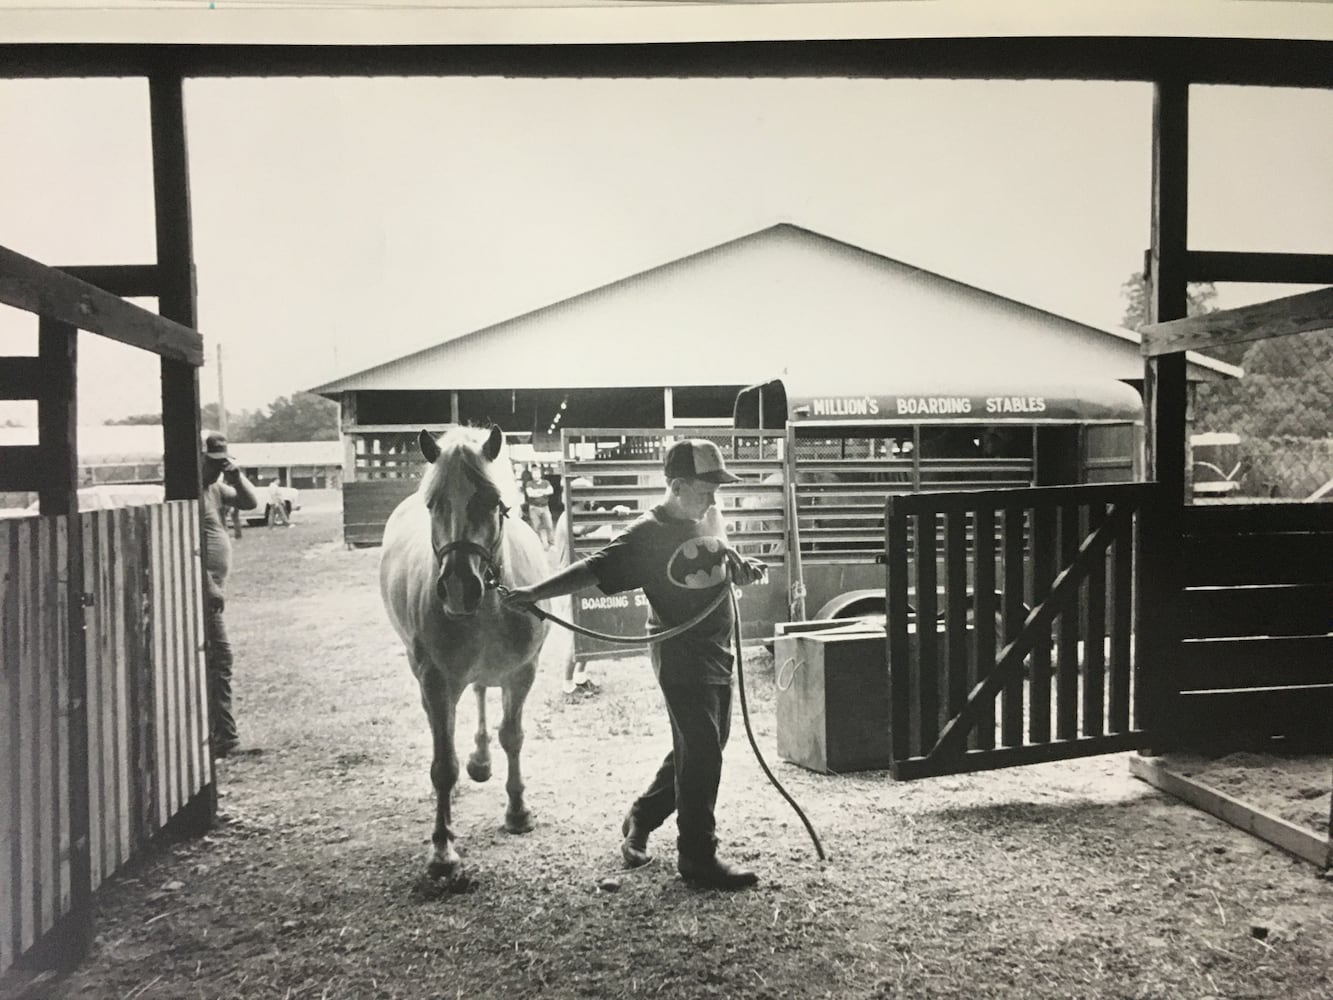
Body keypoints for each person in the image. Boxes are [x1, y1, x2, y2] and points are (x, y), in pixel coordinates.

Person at [503, 440, 768, 890]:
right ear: (678, 486)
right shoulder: (647, 536)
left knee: (703, 746)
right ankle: (697, 857)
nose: (713, 500)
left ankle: (642, 815)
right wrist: (533, 594)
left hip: (717, 649)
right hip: (681, 653)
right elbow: (594, 568)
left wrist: (739, 566)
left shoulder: (701, 516)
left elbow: (717, 553)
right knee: (702, 748)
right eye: (705, 491)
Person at [200, 431, 258, 758]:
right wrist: (207, 583)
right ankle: (226, 738)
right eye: (213, 463)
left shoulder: (215, 489)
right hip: (203, 591)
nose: (217, 469)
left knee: (214, 661)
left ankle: (220, 735)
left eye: (222, 463)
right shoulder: (191, 493)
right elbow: (186, 543)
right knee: (220, 659)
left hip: (211, 590)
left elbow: (250, 502)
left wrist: (237, 476)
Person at [523, 466, 556, 548]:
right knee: (536, 527)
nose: (536, 475)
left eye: (537, 473)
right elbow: (530, 494)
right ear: (532, 475)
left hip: (545, 507)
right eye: (534, 474)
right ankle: (539, 545)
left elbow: (551, 491)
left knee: (549, 526)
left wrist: (537, 492)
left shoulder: (546, 482)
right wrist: (544, 492)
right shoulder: (529, 483)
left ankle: (551, 544)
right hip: (534, 508)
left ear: (540, 474)